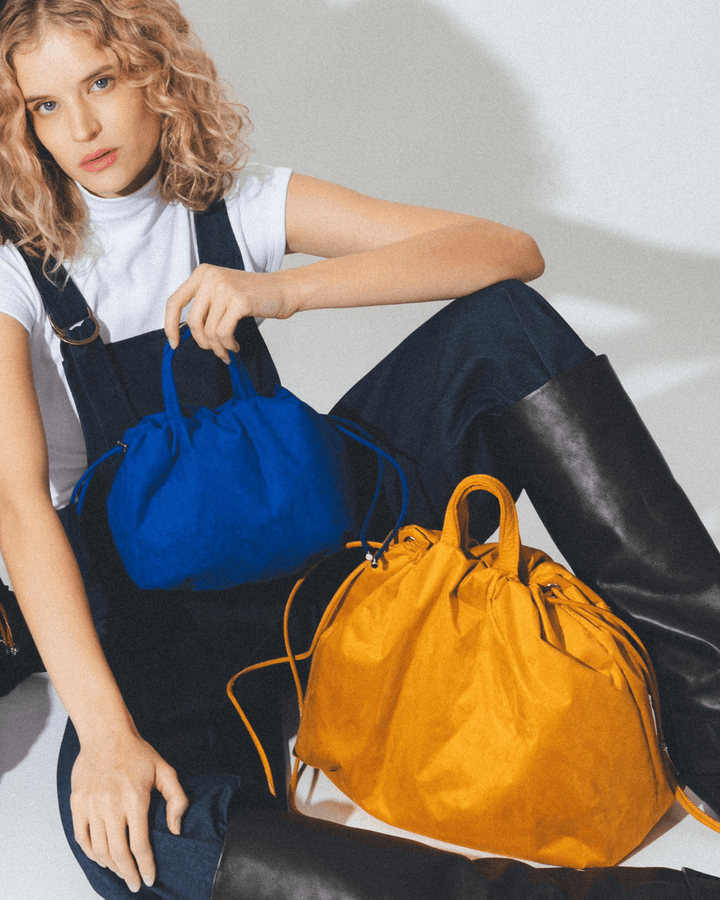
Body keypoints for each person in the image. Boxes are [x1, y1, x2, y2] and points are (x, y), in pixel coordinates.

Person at [0, 1, 718, 899]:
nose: (82, 127)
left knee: (504, 332)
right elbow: (18, 505)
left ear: (155, 73)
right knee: (145, 843)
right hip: (168, 633)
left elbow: (507, 252)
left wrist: (284, 291)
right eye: (46, 105)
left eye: (101, 82)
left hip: (329, 556)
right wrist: (106, 736)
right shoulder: (15, 270)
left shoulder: (238, 204)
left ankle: (710, 711)